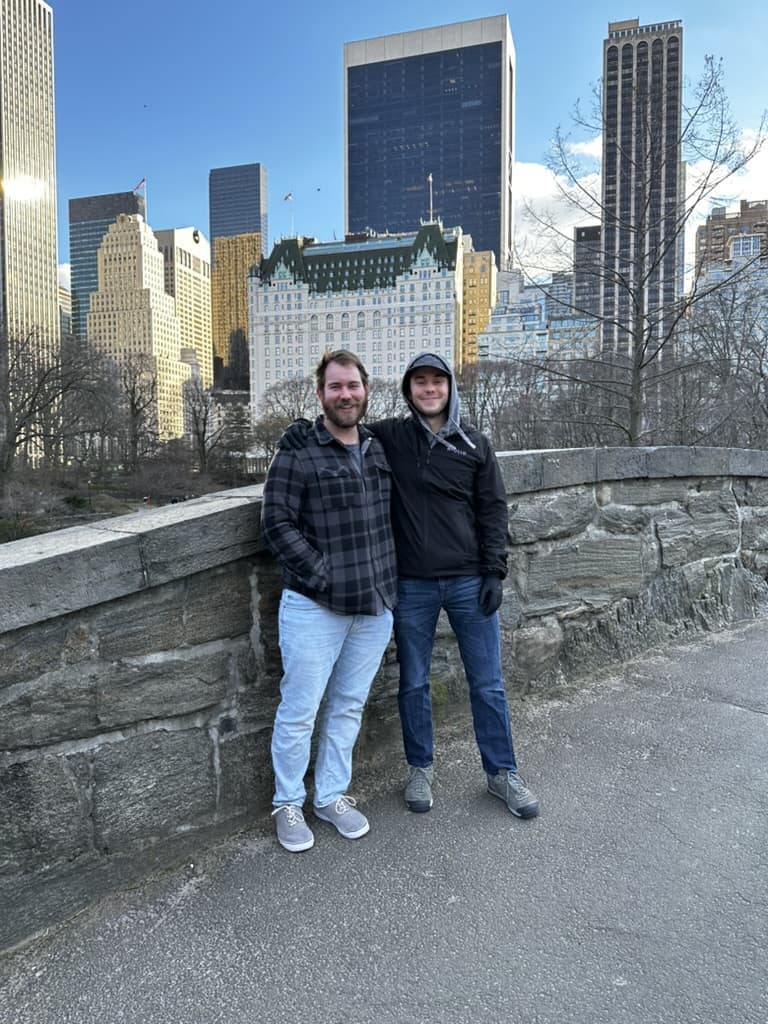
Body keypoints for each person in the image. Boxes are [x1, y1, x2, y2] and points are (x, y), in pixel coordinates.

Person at [282, 352, 539, 820]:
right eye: (420, 381)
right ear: (408, 390)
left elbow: (493, 510)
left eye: (437, 381)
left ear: (450, 387)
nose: (429, 389)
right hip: (412, 584)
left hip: (469, 582)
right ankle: (420, 767)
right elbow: (341, 423)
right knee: (414, 683)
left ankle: (502, 772)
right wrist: (299, 427)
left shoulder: (475, 444)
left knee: (488, 684)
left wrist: (494, 572)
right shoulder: (391, 437)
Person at [261, 350, 397, 852]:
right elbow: (275, 524)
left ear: (366, 390)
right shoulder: (298, 451)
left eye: (353, 386)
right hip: (314, 606)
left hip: (375, 606)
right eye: (335, 386)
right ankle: (288, 802)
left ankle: (330, 796)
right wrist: (325, 575)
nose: (345, 394)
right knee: (300, 709)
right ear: (320, 394)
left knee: (348, 706)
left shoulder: (380, 448)